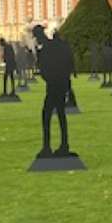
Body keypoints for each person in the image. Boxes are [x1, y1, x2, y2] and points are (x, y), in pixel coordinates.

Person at [32, 25, 75, 158]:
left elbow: (44, 69)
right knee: (60, 114)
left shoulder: (47, 48)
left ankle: (48, 147)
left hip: (54, 85)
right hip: (60, 84)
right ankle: (63, 145)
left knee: (47, 115)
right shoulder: (54, 46)